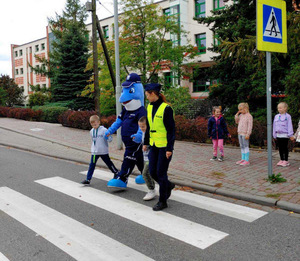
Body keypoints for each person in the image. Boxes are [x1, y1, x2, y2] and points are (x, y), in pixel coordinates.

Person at [105, 73, 146, 189]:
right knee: (138, 158)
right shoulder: (125, 110)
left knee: (129, 158)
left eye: (129, 91)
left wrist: (139, 135)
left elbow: (143, 124)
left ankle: (122, 178)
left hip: (135, 141)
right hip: (127, 141)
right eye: (124, 91)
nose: (123, 97)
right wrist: (110, 130)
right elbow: (118, 122)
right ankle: (146, 174)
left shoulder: (141, 110)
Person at [143, 83, 176, 211]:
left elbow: (171, 130)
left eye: (147, 95)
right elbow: (149, 127)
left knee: (161, 174)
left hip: (164, 146)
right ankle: (168, 185)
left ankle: (163, 201)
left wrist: (169, 148)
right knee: (152, 171)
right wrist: (146, 143)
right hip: (154, 145)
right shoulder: (150, 107)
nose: (146, 97)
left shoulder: (166, 109)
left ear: (153, 94)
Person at [81, 115, 119, 185]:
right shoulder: (91, 131)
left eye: (95, 124)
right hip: (95, 152)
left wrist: (108, 137)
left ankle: (116, 172)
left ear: (99, 122)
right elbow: (93, 141)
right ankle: (88, 179)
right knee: (91, 165)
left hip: (103, 151)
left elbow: (110, 139)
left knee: (108, 163)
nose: (94, 126)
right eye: (92, 124)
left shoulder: (104, 130)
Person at [137, 116, 156, 200]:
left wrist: (147, 146)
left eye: (143, 126)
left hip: (150, 157)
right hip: (145, 157)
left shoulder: (150, 134)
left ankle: (151, 190)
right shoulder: (143, 133)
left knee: (144, 173)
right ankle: (154, 188)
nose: (141, 128)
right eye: (140, 127)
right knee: (150, 174)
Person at [273, 102, 294, 167]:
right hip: (278, 135)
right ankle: (281, 159)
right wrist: (274, 134)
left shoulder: (288, 116)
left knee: (285, 148)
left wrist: (290, 135)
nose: (279, 109)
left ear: (285, 108)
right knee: (280, 148)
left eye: (280, 108)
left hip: (285, 135)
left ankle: (286, 160)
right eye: (278, 108)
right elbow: (274, 125)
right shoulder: (276, 116)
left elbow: (290, 125)